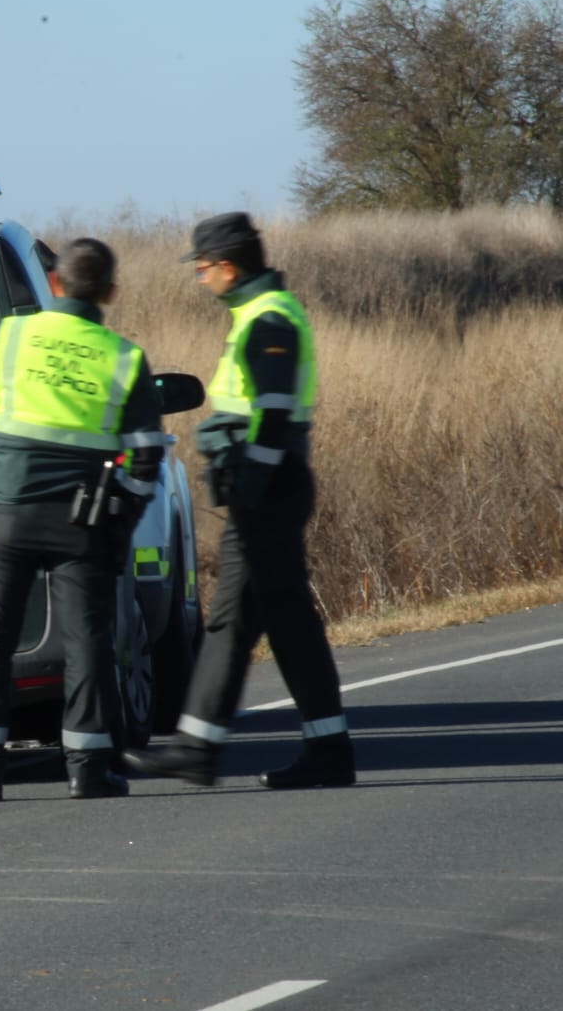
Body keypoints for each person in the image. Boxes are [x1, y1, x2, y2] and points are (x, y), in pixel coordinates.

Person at [124, 212, 354, 790]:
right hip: (268, 490)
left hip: (268, 493)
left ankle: (201, 748)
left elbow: (274, 414)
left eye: (203, 270)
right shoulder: (259, 313)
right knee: (266, 619)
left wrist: (252, 483)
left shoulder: (267, 319)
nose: (201, 280)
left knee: (245, 617)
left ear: (228, 266)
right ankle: (318, 751)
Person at [0, 238, 165, 801]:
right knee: (88, 639)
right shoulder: (124, 357)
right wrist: (121, 519)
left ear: (57, 284)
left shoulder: (11, 335)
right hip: (81, 520)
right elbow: (146, 457)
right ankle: (88, 769)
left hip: (4, 510)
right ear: (111, 293)